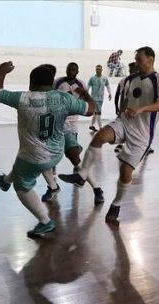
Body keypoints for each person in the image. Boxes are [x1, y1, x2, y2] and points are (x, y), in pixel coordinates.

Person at [59, 47, 159, 225]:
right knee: (100, 136)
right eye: (135, 60)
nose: (136, 63)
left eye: (139, 60)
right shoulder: (131, 79)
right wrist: (122, 111)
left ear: (151, 59)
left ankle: (117, 204)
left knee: (125, 172)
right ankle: (82, 175)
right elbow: (126, 99)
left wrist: (142, 108)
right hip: (125, 122)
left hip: (142, 134)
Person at [0, 62, 94, 237]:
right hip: (56, 154)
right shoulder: (63, 98)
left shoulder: (24, 98)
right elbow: (90, 110)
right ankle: (5, 181)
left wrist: (1, 71)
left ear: (31, 83)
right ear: (52, 83)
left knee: (22, 185)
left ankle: (45, 222)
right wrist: (86, 95)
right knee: (21, 163)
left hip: (34, 157)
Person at [42, 62, 104, 205]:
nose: (71, 71)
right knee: (45, 158)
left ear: (77, 71)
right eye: (69, 69)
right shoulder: (58, 82)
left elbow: (88, 107)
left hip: (71, 125)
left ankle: (97, 189)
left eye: (74, 69)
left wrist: (84, 93)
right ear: (66, 69)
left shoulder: (81, 84)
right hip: (56, 124)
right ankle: (52, 187)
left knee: (75, 159)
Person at [113, 62, 140, 153]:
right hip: (125, 108)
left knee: (138, 127)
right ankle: (120, 144)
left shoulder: (141, 80)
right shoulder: (123, 81)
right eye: (131, 69)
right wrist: (117, 107)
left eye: (134, 69)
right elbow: (117, 95)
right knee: (123, 125)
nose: (132, 70)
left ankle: (145, 145)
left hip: (136, 109)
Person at [88, 65, 112, 132]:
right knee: (98, 113)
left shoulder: (104, 78)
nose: (98, 70)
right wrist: (86, 95)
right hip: (94, 98)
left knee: (96, 113)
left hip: (101, 98)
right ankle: (101, 128)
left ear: (102, 70)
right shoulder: (92, 78)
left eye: (99, 69)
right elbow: (88, 86)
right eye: (96, 69)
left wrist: (110, 93)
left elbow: (107, 85)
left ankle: (91, 125)